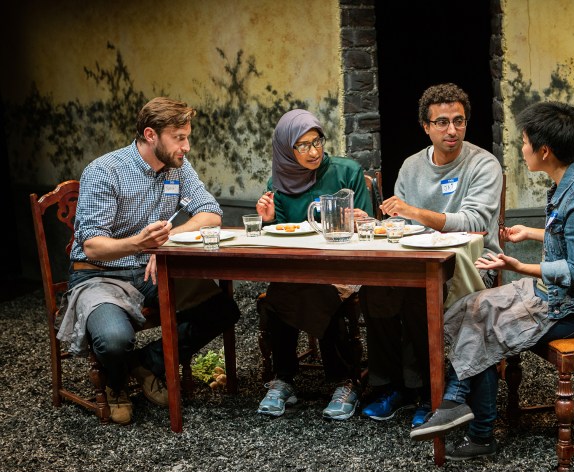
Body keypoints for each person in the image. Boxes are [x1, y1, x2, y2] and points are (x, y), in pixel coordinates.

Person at [409, 101, 574, 460]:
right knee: (472, 306)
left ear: (544, 150)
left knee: (490, 327)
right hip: (552, 293)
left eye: (524, 142)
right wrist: (533, 233)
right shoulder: (566, 182)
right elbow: (570, 238)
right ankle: (457, 401)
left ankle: (477, 431)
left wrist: (520, 267)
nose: (522, 150)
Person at [61, 97, 241, 425]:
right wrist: (139, 244)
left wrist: (164, 246)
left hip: (151, 267)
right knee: (115, 340)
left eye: (188, 136)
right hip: (99, 276)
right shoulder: (105, 171)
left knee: (222, 310)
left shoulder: (177, 167)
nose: (187, 146)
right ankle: (115, 384)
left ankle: (144, 365)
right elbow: (92, 247)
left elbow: (211, 213)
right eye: (179, 137)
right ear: (151, 135)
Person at [359, 83, 503, 427]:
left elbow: (474, 222)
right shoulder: (411, 166)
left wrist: (415, 212)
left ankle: (428, 390)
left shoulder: (483, 165)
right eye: (441, 122)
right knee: (375, 291)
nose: (451, 130)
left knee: (418, 297)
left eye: (459, 121)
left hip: (473, 264)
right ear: (426, 127)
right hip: (417, 260)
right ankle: (390, 387)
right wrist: (377, 222)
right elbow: (398, 223)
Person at [254, 109, 373, 420]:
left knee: (304, 293)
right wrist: (267, 221)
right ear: (285, 148)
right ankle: (334, 381)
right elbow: (278, 237)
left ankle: (300, 379)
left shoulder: (347, 171)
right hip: (298, 268)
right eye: (302, 145)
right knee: (288, 287)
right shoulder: (277, 182)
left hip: (345, 265)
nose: (313, 151)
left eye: (317, 141)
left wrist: (360, 220)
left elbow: (370, 227)